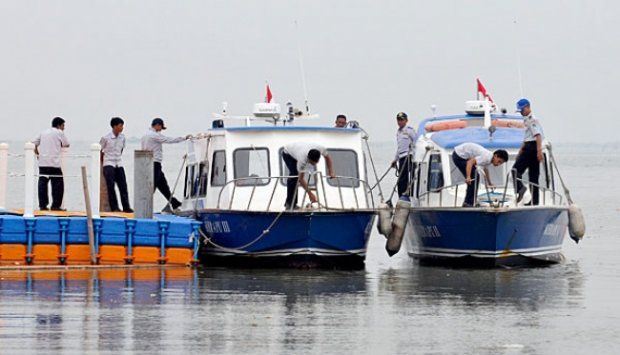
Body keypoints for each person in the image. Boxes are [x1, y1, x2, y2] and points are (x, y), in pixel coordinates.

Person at [141, 118, 192, 211]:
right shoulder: (154, 135)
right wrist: (184, 138)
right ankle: (143, 206)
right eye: (160, 127)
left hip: (150, 163)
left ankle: (174, 203)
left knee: (163, 185)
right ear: (157, 125)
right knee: (153, 186)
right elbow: (168, 140)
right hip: (154, 163)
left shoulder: (145, 136)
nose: (160, 130)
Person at [452, 143, 509, 207]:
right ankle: (468, 203)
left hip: (462, 155)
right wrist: (468, 176)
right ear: (495, 156)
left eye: (501, 163)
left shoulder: (490, 159)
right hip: (459, 155)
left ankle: (471, 201)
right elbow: (470, 162)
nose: (498, 164)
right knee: (474, 177)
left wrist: (489, 183)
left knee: (475, 177)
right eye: (499, 161)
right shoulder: (486, 157)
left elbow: (485, 170)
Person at [282, 142, 335, 209]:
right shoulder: (302, 159)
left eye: (316, 162)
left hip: (298, 149)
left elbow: (328, 158)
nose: (315, 164)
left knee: (296, 174)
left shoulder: (321, 149)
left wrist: (331, 171)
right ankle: (290, 204)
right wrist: (310, 193)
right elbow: (300, 179)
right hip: (288, 153)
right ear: (308, 159)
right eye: (312, 162)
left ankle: (292, 204)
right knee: (294, 175)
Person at [33, 117, 70, 211]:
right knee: (58, 185)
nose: (63, 128)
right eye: (63, 126)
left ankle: (43, 205)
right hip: (54, 164)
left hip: (43, 163)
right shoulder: (59, 133)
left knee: (42, 185)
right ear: (58, 125)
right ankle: (55, 205)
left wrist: (37, 152)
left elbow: (34, 143)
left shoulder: (43, 132)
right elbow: (66, 144)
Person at [512, 98, 544, 205]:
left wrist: (539, 151)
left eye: (522, 110)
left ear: (527, 107)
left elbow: (537, 135)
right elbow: (526, 137)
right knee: (533, 177)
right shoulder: (526, 119)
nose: (521, 112)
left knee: (515, 171)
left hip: (532, 148)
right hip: (529, 146)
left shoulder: (531, 119)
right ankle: (535, 202)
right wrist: (520, 151)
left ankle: (520, 188)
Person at [100, 117, 133, 213]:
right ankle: (114, 207)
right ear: (114, 126)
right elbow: (100, 151)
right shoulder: (106, 138)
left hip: (118, 162)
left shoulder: (123, 137)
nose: (122, 128)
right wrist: (103, 163)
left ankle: (126, 207)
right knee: (111, 187)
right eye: (120, 126)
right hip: (109, 163)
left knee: (123, 185)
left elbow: (121, 149)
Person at [390, 112, 417, 198]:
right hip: (402, 157)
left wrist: (414, 156)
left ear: (406, 120)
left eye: (401, 120)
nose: (399, 122)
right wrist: (395, 159)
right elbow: (399, 148)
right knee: (402, 179)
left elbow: (416, 143)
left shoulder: (409, 131)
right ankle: (402, 197)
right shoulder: (398, 132)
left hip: (409, 156)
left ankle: (411, 194)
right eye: (398, 120)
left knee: (410, 177)